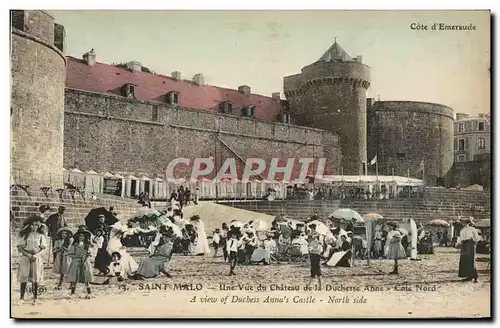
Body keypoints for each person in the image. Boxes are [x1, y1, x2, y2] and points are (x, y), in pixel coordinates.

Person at [16, 216, 47, 305]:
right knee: (24, 277)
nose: (34, 227)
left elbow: (43, 249)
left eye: (36, 225)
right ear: (29, 225)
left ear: (39, 226)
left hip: (36, 258)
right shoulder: (25, 235)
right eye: (32, 225)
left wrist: (36, 255)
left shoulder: (41, 236)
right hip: (26, 257)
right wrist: (28, 254)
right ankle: (21, 298)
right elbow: (19, 247)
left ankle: (35, 297)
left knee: (35, 278)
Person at [67, 228, 94, 298]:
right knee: (74, 277)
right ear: (77, 237)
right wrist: (74, 256)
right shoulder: (74, 245)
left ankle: (89, 292)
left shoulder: (87, 245)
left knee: (86, 277)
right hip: (76, 262)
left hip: (85, 262)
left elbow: (91, 253)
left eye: (83, 236)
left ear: (85, 237)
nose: (81, 237)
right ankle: (73, 292)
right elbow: (70, 253)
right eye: (80, 236)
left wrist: (88, 254)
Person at [458, 218, 481, 282]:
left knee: (470, 259)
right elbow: (461, 239)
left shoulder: (472, 229)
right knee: (465, 259)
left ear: (468, 223)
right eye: (462, 223)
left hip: (470, 244)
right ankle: (468, 276)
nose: (463, 224)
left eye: (464, 222)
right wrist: (460, 244)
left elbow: (476, 237)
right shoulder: (462, 230)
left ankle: (475, 276)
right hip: (464, 245)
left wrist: (473, 243)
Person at [307, 224, 323, 290]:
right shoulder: (310, 235)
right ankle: (318, 285)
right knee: (314, 268)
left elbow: (320, 246)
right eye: (311, 229)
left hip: (317, 254)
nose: (312, 230)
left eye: (313, 228)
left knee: (316, 269)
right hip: (313, 254)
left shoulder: (318, 236)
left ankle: (318, 285)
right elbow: (309, 243)